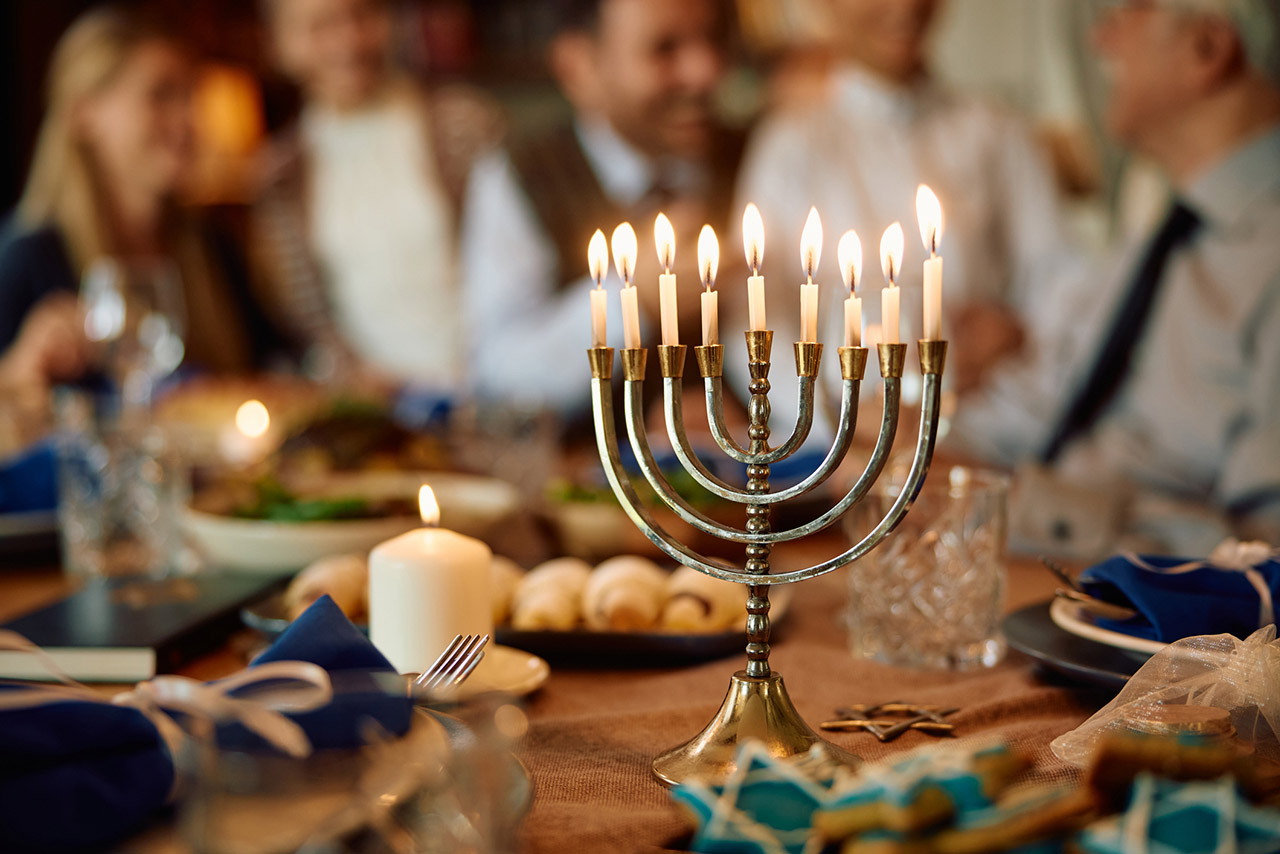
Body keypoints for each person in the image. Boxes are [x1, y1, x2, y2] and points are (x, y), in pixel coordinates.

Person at [953, 0, 1280, 553]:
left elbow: (1262, 549)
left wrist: (1016, 505)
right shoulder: (1162, 233)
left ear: (1207, 48)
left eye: (1131, 10)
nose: (1102, 39)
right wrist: (918, 443)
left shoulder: (1265, 258)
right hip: (1032, 563)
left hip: (1148, 620)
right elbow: (1057, 394)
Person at [736, 0, 1074, 397]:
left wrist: (1019, 334)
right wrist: (842, 418)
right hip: (843, 438)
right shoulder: (789, 147)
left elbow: (1059, 284)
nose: (905, 7)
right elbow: (755, 321)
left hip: (987, 421)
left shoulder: (998, 133)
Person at [459, 0, 744, 415]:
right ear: (579, 68)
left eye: (715, 39)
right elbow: (497, 374)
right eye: (664, 49)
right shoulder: (521, 175)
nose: (705, 71)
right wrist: (635, 300)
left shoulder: (760, 154)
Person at [0, 5, 282, 381]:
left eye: (190, 96)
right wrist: (21, 367)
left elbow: (272, 374)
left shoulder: (213, 246)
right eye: (161, 95)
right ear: (84, 112)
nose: (187, 120)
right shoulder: (28, 260)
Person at [253, 0, 499, 391]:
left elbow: (518, 267)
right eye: (321, 26)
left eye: (363, 15)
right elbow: (308, 325)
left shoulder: (464, 124)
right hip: (379, 411)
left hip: (492, 389)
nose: (349, 41)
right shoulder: (280, 180)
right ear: (281, 44)